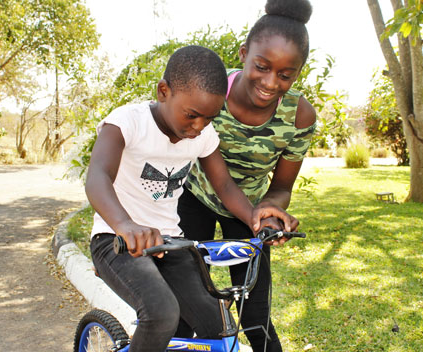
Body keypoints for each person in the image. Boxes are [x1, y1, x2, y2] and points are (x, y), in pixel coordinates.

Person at [85, 45, 299, 352]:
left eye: (209, 118)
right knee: (162, 315)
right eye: (192, 115)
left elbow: (224, 186)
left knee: (218, 325)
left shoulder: (202, 135)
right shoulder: (127, 122)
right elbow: (97, 178)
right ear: (163, 91)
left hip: (172, 243)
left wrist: (256, 218)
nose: (198, 127)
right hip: (116, 241)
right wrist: (125, 224)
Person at [177, 0, 316, 351]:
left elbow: (282, 186)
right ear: (243, 54)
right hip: (193, 200)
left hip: (250, 213)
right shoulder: (210, 93)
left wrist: (270, 213)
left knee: (256, 319)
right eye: (262, 67)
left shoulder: (298, 117)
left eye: (285, 75)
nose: (271, 83)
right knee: (183, 310)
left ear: (298, 72)